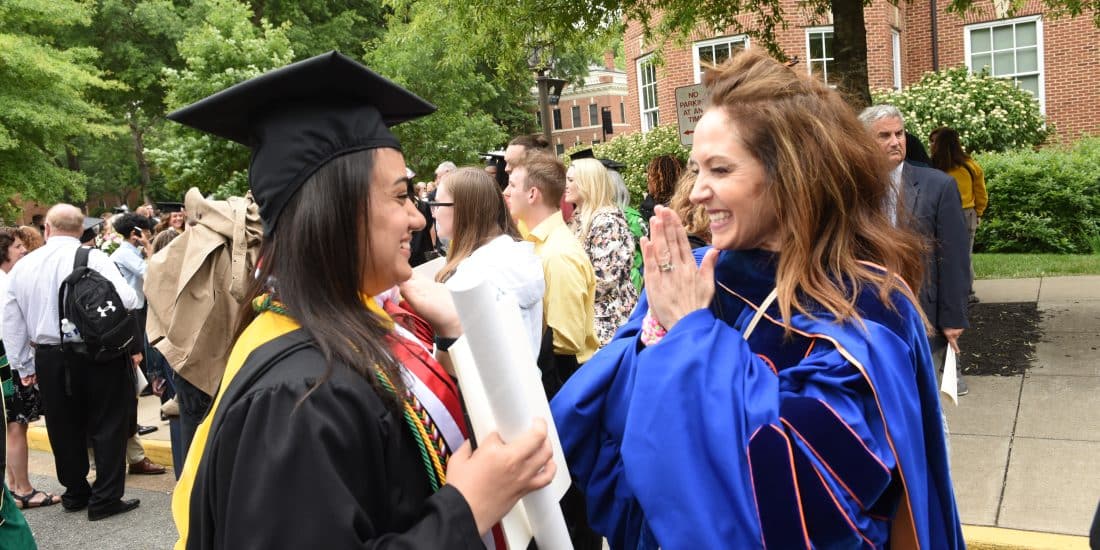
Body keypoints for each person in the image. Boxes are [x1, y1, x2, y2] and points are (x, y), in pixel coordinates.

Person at [552, 49, 963, 549]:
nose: (697, 192)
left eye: (720, 170)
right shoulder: (695, 278)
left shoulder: (866, 311)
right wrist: (660, 331)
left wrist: (689, 337)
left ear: (792, 176)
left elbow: (802, 506)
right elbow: (592, 424)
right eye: (697, 169)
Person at [166, 51, 555, 549]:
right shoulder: (298, 397)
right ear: (338, 212)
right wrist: (466, 508)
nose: (417, 219)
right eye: (400, 196)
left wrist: (454, 333)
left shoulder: (342, 335)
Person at [3, 204, 143, 521]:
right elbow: (129, 299)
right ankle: (106, 496)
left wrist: (24, 366)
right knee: (108, 421)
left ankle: (76, 492)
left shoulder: (24, 266)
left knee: (63, 424)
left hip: (49, 355)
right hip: (97, 353)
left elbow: (11, 322)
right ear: (80, 230)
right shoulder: (93, 258)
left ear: (47, 229)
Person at [860, 105, 971, 396]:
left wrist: (953, 318)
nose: (895, 142)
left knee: (925, 402)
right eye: (884, 136)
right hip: (866, 317)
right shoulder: (851, 188)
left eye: (899, 134)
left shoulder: (938, 186)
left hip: (922, 314)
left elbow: (954, 257)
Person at [431, 168, 544, 355]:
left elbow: (462, 360)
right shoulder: (516, 255)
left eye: (437, 204)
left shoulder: (470, 279)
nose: (434, 214)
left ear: (463, 209)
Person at [2, 228, 60, 512]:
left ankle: (14, 486)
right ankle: (24, 490)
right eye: (16, 246)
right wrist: (24, 364)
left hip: (7, 360)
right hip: (9, 362)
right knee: (16, 425)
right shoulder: (7, 282)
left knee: (11, 426)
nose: (23, 249)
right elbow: (11, 329)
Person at [565, 158, 638, 345]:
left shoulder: (606, 222)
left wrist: (566, 292)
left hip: (609, 326)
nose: (566, 185)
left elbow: (605, 279)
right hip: (591, 320)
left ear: (588, 184)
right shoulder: (581, 219)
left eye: (571, 180)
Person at [930, 126, 988, 305]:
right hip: (967, 214)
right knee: (964, 255)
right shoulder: (970, 166)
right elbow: (981, 193)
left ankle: (944, 292)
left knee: (941, 255)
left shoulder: (934, 167)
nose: (931, 145)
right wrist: (979, 212)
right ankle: (967, 293)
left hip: (941, 214)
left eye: (933, 141)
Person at [640, 154, 683, 221]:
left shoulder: (667, 211)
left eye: (650, 175)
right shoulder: (686, 204)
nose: (648, 179)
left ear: (658, 179)